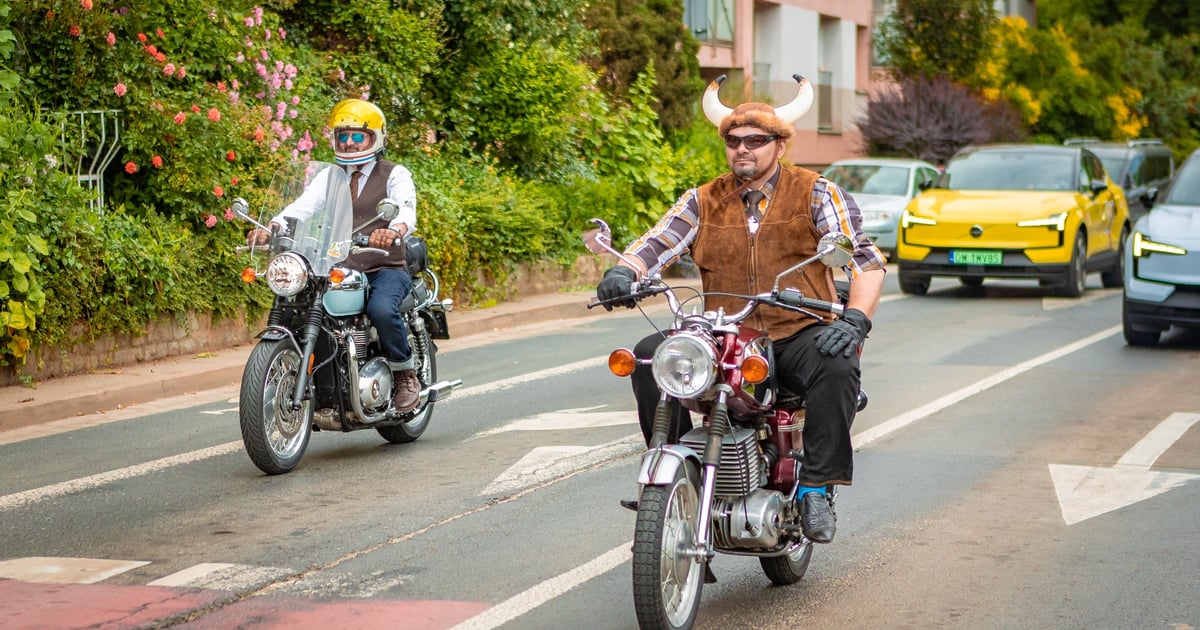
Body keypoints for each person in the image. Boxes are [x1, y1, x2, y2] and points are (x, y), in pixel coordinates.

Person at [595, 76, 886, 544]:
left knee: (838, 362)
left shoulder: (815, 192)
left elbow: (866, 262)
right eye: (733, 141)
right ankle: (670, 481)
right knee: (650, 357)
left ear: (779, 144)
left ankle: (814, 486)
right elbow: (658, 242)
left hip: (796, 331)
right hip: (723, 333)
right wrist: (625, 272)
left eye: (755, 141)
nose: (742, 150)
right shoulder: (703, 199)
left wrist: (855, 320)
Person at [248, 98, 421, 413]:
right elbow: (303, 206)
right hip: (339, 265)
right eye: (343, 136)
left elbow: (407, 209)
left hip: (384, 265)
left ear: (375, 138)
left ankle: (405, 373)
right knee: (296, 309)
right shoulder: (330, 176)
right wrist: (273, 227)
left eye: (358, 136)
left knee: (381, 309)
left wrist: (394, 230)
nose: (350, 143)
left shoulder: (395, 173)